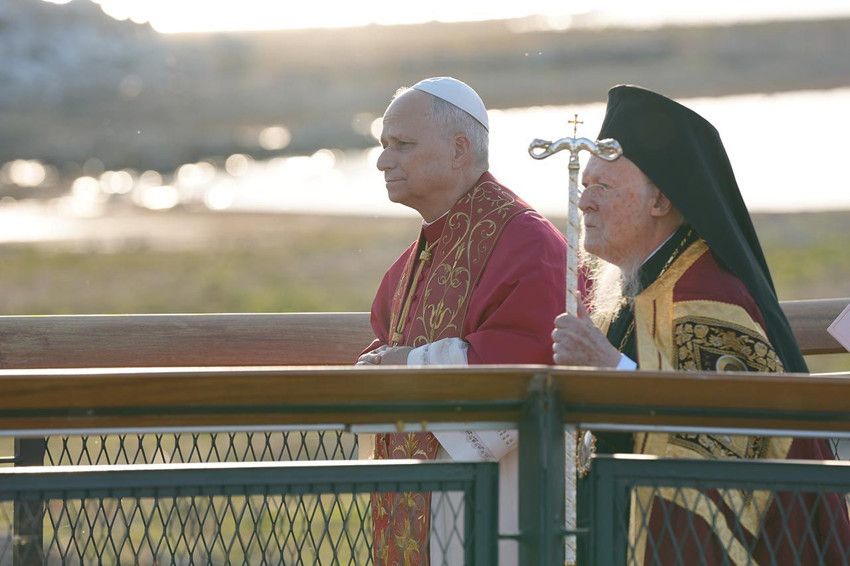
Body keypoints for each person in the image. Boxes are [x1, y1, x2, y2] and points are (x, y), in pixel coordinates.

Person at [552, 84, 850, 564]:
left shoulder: (704, 297)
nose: (583, 202)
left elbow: (724, 439)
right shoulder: (640, 283)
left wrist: (611, 368)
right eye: (585, 185)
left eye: (602, 188)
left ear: (659, 201)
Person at [357, 77, 566, 566]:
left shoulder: (527, 242)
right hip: (430, 493)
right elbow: (387, 339)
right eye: (384, 145)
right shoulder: (417, 256)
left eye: (402, 145)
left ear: (459, 149)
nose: (384, 160)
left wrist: (410, 366)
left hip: (498, 496)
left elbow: (532, 356)